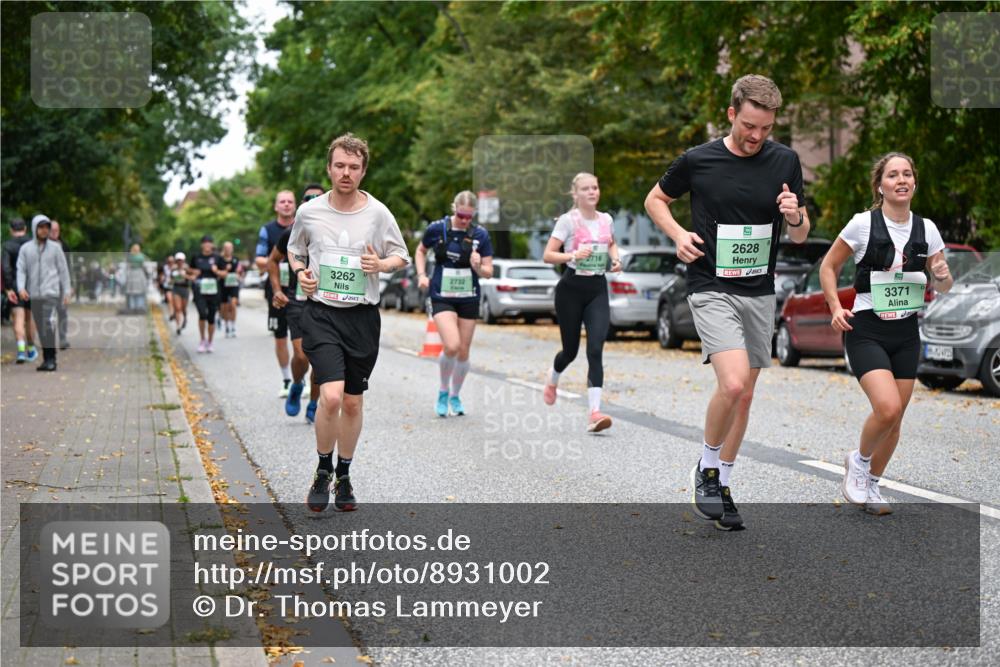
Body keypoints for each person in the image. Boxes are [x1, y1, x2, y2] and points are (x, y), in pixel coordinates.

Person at [644, 74, 810, 531]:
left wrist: (795, 215)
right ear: (732, 113)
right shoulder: (699, 160)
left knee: (747, 394)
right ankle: (707, 468)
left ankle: (723, 483)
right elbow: (655, 199)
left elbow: (799, 233)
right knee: (733, 384)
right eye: (749, 126)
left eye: (766, 129)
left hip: (759, 288)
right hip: (710, 283)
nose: (756, 137)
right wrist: (678, 234)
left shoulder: (785, 161)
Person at [819, 153, 951, 515]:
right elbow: (829, 267)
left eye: (907, 173)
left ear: (914, 183)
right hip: (867, 329)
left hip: (907, 332)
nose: (901, 179)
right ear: (881, 186)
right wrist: (834, 307)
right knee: (887, 407)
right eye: (893, 175)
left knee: (896, 420)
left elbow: (945, 284)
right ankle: (859, 461)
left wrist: (940, 273)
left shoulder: (928, 229)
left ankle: (873, 486)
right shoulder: (863, 224)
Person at [288, 133, 409, 512]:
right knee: (332, 395)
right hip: (322, 314)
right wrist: (302, 273)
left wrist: (381, 264)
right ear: (329, 168)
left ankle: (344, 475)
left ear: (363, 171)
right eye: (339, 165)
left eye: (353, 167)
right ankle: (322, 470)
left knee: (353, 404)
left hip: (362, 318)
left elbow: (400, 256)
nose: (346, 173)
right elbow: (296, 252)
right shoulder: (309, 212)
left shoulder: (378, 213)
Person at [541, 174, 620, 432]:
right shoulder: (568, 221)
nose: (591, 192)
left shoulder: (606, 219)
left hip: (597, 288)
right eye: (585, 189)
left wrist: (615, 259)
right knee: (570, 351)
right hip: (571, 289)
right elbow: (548, 255)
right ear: (575, 194)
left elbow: (611, 243)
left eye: (595, 187)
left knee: (595, 348)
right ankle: (553, 378)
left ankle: (595, 412)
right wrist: (573, 254)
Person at [415, 191, 494, 417]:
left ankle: (455, 395)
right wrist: (421, 274)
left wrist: (478, 266)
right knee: (452, 345)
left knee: (463, 351)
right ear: (454, 209)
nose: (465, 220)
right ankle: (442, 390)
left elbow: (489, 271)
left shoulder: (480, 235)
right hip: (442, 294)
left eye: (469, 217)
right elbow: (421, 251)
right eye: (461, 215)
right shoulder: (437, 229)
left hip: (468, 296)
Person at [268, 184, 325, 421]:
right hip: (298, 301)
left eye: (318, 199)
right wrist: (277, 290)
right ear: (302, 204)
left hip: (326, 303)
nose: (312, 202)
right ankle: (297, 384)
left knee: (320, 361)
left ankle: (313, 403)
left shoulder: (337, 231)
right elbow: (273, 261)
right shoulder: (291, 232)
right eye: (308, 199)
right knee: (301, 357)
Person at [256, 190, 298, 397]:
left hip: (299, 289)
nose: (286, 204)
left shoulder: (303, 228)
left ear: (295, 205)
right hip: (276, 290)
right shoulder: (267, 230)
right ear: (276, 206)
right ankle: (286, 379)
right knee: (280, 337)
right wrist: (278, 258)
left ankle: (301, 378)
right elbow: (260, 260)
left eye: (290, 201)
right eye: (282, 201)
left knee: (301, 338)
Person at [16, 215, 71, 371]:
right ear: (34, 228)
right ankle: (47, 359)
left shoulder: (56, 248)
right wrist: (21, 288)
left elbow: (63, 270)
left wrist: (66, 290)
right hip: (34, 294)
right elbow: (21, 270)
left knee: (47, 324)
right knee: (41, 326)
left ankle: (51, 359)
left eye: (47, 227)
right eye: (41, 227)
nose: (44, 230)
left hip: (51, 293)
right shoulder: (26, 249)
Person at [3, 217, 39, 363]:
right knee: (30, 319)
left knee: (18, 319)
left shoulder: (7, 246)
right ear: (25, 229)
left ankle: (21, 351)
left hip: (16, 287)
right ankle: (31, 349)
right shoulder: (33, 244)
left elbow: (5, 268)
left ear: (11, 230)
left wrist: (8, 288)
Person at [188, 235, 226, 353]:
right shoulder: (196, 257)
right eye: (205, 243)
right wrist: (193, 271)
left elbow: (224, 273)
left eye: (209, 243)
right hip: (200, 289)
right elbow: (189, 269)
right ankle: (202, 340)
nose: (207, 245)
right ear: (202, 245)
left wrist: (217, 271)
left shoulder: (217, 258)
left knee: (211, 317)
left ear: (212, 245)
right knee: (202, 314)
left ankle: (210, 341)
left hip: (213, 290)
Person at [49, 220, 72, 348]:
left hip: (61, 285)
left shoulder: (64, 246)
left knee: (62, 311)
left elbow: (68, 267)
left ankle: (63, 339)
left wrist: (70, 286)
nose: (54, 232)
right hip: (47, 285)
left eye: (56, 230)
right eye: (52, 230)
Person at [218, 241, 242, 338]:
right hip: (223, 285)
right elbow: (216, 272)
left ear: (232, 249)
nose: (228, 249)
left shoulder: (236, 259)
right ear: (224, 249)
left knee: (233, 305)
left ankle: (232, 326)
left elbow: (240, 271)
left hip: (233, 285)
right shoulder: (220, 260)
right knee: (224, 308)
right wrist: (225, 271)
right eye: (226, 248)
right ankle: (226, 325)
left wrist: (239, 274)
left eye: (230, 248)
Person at [125, 243, 149, 313]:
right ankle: (139, 307)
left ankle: (132, 307)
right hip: (139, 273)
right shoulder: (141, 256)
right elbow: (143, 265)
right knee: (140, 292)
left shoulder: (130, 256)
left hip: (132, 274)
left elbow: (127, 265)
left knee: (131, 292)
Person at [170, 252, 190, 334]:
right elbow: (171, 279)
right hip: (176, 288)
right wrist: (172, 280)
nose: (179, 262)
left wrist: (185, 276)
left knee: (183, 308)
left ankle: (185, 318)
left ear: (183, 260)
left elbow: (191, 278)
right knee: (178, 308)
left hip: (185, 289)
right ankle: (178, 326)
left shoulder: (187, 268)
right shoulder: (173, 268)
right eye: (178, 260)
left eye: (181, 260)